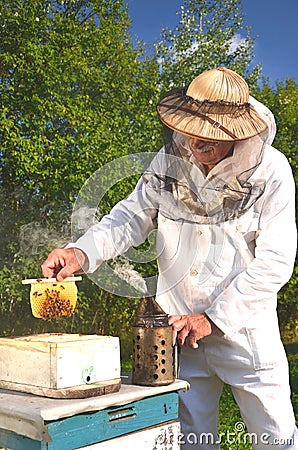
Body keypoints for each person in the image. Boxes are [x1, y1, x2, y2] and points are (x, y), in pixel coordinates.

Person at [42, 67, 297, 449]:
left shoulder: (272, 171)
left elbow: (275, 260)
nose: (196, 141)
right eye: (191, 127)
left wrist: (213, 318)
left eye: (209, 135)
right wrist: (81, 252)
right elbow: (130, 217)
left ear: (238, 132)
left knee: (275, 439)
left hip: (245, 334)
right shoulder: (167, 161)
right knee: (191, 442)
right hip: (178, 336)